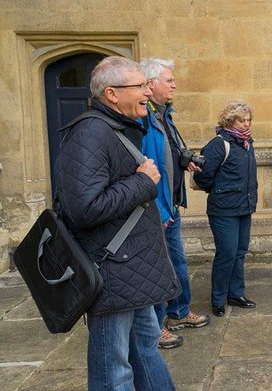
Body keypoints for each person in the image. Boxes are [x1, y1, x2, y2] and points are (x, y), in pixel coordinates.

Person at [54, 56, 180, 390]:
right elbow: (84, 207)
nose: (147, 91)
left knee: (145, 352)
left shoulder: (118, 127)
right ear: (111, 94)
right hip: (111, 273)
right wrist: (143, 182)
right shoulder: (90, 133)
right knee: (113, 370)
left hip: (133, 271)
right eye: (139, 86)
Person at [140, 58, 210, 349]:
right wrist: (160, 208)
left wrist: (185, 160)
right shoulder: (142, 119)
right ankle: (154, 328)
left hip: (172, 204)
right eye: (169, 80)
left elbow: (168, 155)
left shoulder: (164, 115)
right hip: (156, 208)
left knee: (178, 263)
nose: (174, 84)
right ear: (151, 83)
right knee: (158, 269)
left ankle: (178, 313)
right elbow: (146, 167)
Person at [193, 100, 258, 317]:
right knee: (227, 254)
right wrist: (221, 191)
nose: (246, 124)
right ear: (230, 121)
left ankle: (236, 293)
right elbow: (203, 175)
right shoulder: (219, 144)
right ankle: (218, 298)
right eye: (242, 120)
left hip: (244, 207)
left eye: (248, 120)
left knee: (240, 253)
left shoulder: (247, 143)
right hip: (223, 210)